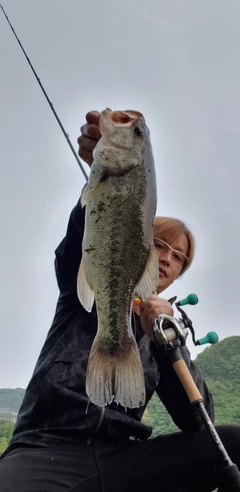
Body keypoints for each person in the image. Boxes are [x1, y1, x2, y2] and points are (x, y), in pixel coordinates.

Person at [0, 111, 239, 492]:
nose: (167, 259)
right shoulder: (83, 292)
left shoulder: (165, 328)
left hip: (125, 456)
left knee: (233, 445)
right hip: (46, 446)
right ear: (141, 239)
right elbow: (82, 241)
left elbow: (199, 422)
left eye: (179, 257)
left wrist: (167, 345)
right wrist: (101, 167)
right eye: (160, 245)